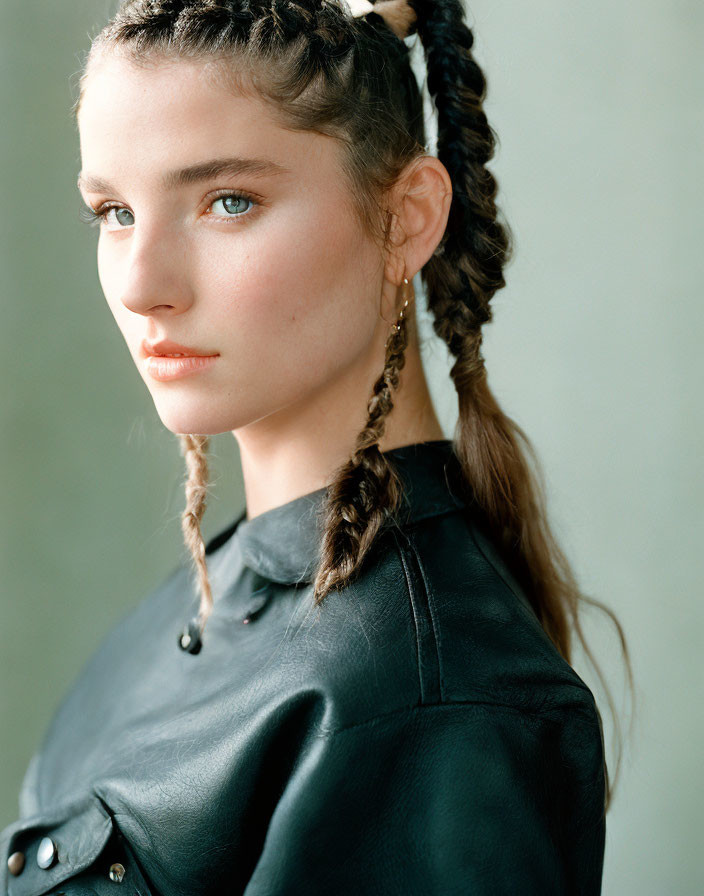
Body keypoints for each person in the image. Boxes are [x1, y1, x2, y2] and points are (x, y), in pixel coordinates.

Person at [1, 1, 632, 893]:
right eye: (113, 212)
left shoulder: (431, 701)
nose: (143, 283)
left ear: (407, 218)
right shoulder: (232, 582)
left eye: (228, 201)